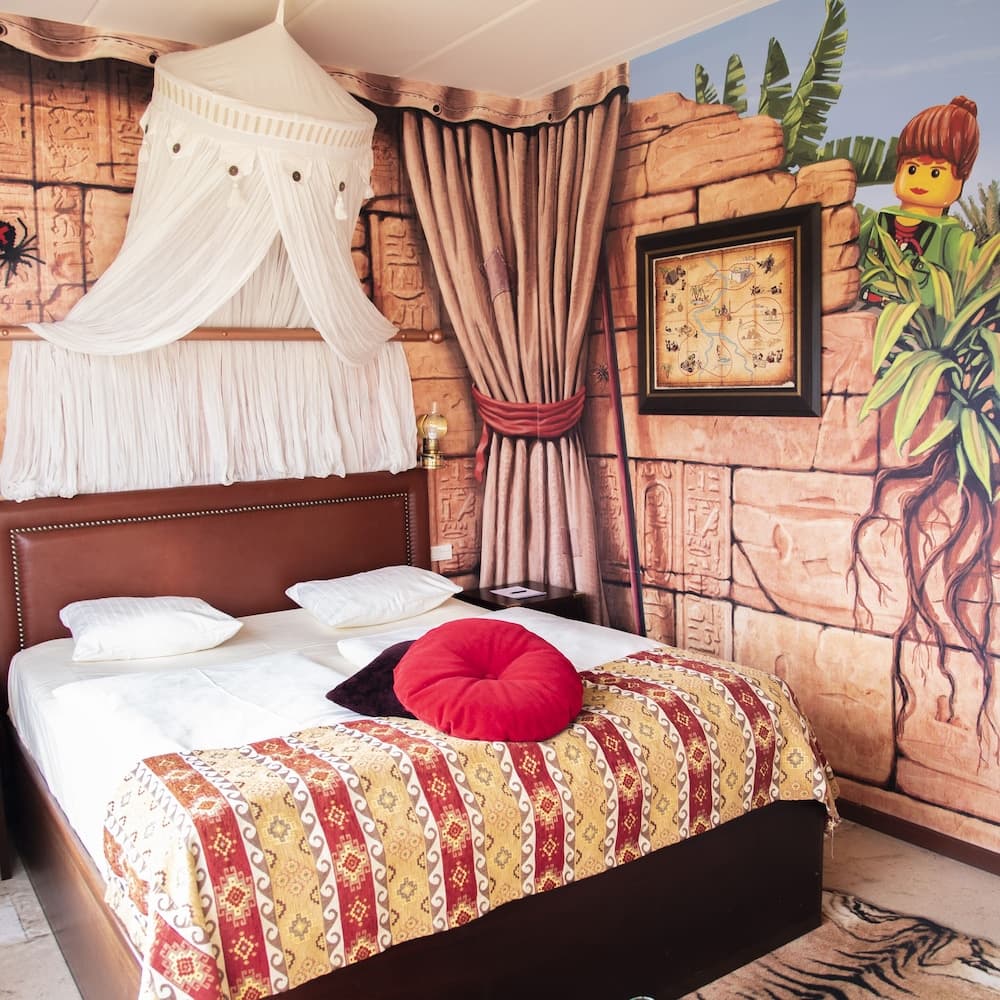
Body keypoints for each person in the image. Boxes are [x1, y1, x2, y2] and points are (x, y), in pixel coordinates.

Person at [859, 96, 980, 307]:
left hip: (919, 322)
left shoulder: (952, 238)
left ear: (961, 179)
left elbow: (974, 290)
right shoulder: (879, 221)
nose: (921, 181)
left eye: (935, 173)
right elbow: (845, 254)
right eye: (912, 168)